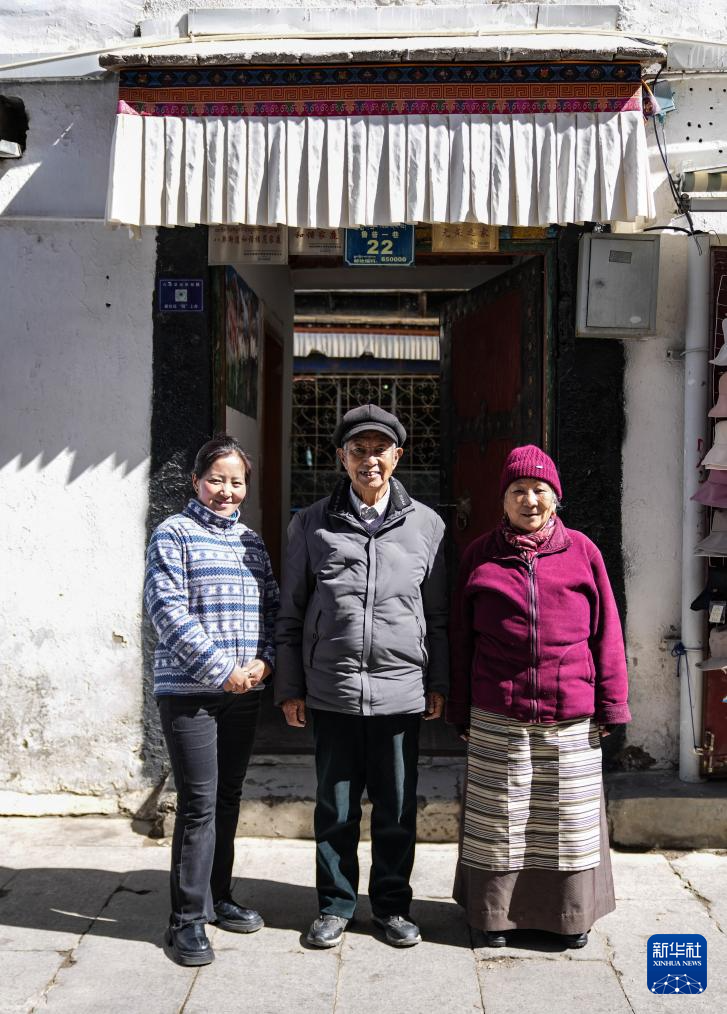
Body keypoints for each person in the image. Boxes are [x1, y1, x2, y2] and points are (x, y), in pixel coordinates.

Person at [275, 404, 448, 949]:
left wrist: (437, 682)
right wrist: (290, 687)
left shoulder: (427, 525)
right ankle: (335, 905)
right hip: (332, 689)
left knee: (396, 808)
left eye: (380, 450)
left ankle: (392, 906)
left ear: (398, 456)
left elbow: (437, 614)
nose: (369, 460)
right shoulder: (311, 523)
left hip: (400, 690)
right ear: (341, 458)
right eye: (358, 450)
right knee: (336, 808)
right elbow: (291, 610)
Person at [446, 445, 630, 949]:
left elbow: (607, 633)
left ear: (556, 497)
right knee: (498, 816)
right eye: (518, 490)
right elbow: (460, 638)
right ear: (503, 500)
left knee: (566, 819)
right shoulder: (480, 555)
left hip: (569, 708)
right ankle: (493, 918)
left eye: (539, 490)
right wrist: (459, 707)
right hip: (498, 707)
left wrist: (612, 703)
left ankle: (569, 917)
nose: (529, 500)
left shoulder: (583, 552)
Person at [144, 434, 278, 966]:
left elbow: (272, 607)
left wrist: (265, 661)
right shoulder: (173, 533)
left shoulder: (251, 542)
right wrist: (222, 671)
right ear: (196, 480)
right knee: (198, 804)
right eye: (216, 480)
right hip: (190, 694)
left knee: (227, 798)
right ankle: (185, 921)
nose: (226, 491)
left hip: (244, 692)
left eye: (236, 481)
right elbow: (166, 610)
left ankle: (219, 898)